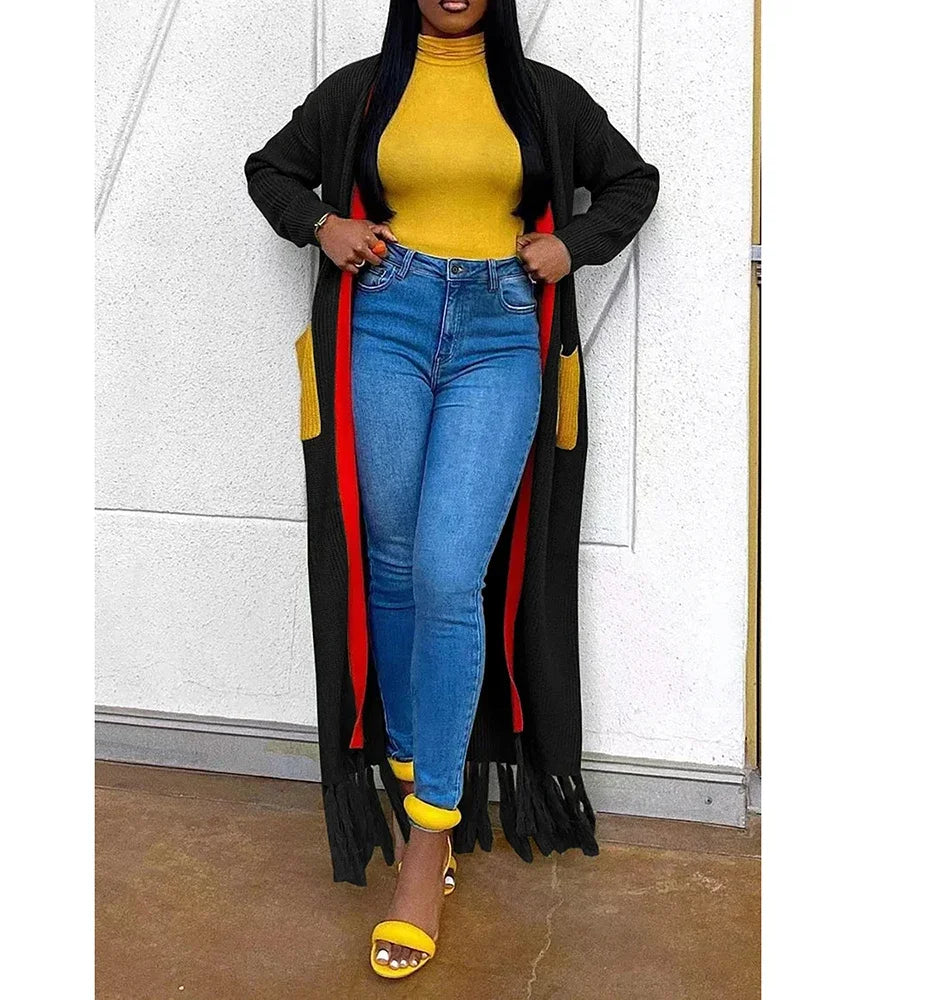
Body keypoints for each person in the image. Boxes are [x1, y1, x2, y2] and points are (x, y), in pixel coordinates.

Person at [244, 0, 659, 980]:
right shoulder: (363, 90)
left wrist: (574, 245)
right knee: (392, 567)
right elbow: (271, 169)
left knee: (444, 572)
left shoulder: (540, 95)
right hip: (384, 322)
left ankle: (427, 840)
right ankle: (410, 775)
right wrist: (322, 223)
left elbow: (632, 181)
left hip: (500, 333)